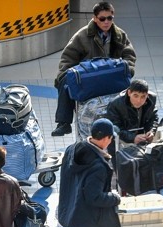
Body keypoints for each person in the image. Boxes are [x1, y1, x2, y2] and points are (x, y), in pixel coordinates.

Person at [57, 118, 121, 227]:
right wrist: (114, 198)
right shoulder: (98, 166)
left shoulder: (73, 149)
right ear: (107, 139)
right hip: (91, 221)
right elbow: (95, 198)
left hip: (73, 210)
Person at [51, 1, 136, 137]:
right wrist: (65, 75)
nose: (106, 22)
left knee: (136, 90)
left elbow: (129, 54)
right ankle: (64, 123)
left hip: (110, 77)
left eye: (109, 18)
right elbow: (68, 57)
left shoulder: (119, 35)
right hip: (90, 77)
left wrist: (128, 70)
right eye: (102, 18)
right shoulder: (82, 35)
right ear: (95, 18)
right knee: (64, 83)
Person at [105, 79, 158, 145]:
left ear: (147, 95)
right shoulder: (115, 104)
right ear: (129, 93)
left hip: (141, 138)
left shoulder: (151, 99)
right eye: (135, 96)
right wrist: (133, 138)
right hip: (119, 140)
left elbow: (153, 118)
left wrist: (151, 131)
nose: (139, 100)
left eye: (143, 97)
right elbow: (114, 128)